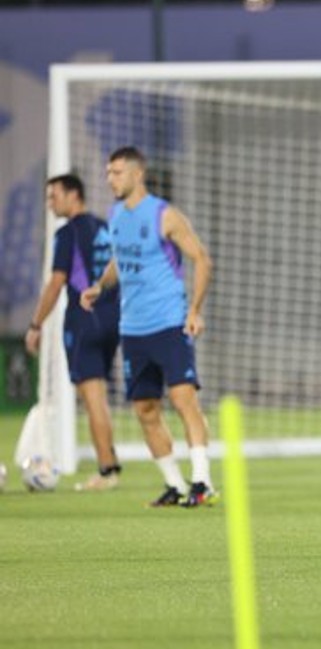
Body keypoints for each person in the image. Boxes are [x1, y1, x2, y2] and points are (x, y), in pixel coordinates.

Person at [81, 146, 217, 508]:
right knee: (144, 409)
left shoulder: (164, 214)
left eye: (117, 172)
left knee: (183, 399)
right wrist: (99, 285)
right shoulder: (115, 216)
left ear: (137, 174)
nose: (111, 179)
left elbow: (202, 259)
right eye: (109, 172)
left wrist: (195, 310)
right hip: (133, 328)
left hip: (169, 321)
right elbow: (118, 260)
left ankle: (202, 482)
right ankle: (175, 484)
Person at [25, 174, 122, 490]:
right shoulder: (104, 228)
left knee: (92, 396)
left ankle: (107, 471)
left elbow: (56, 283)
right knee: (100, 397)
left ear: (73, 194)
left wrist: (36, 324)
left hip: (84, 319)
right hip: (114, 318)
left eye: (54, 196)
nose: (50, 203)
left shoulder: (67, 233)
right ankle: (111, 463)